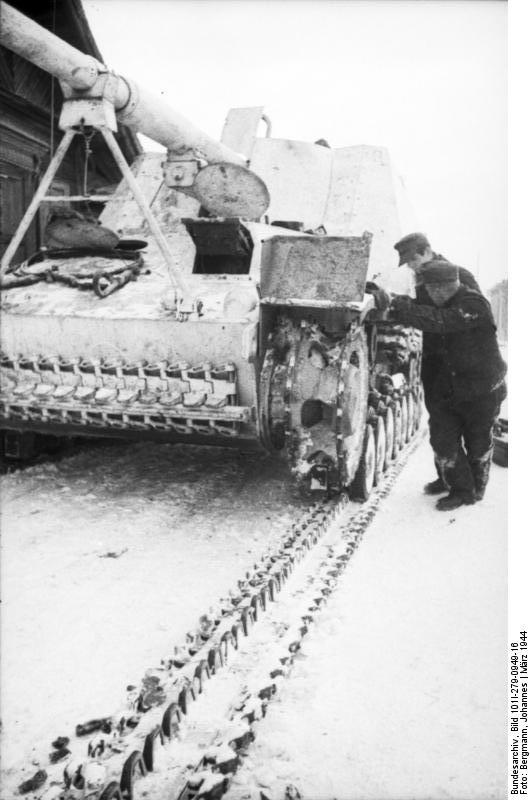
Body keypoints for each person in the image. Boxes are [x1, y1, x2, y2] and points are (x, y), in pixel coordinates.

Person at [374, 261, 506, 511]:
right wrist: (384, 295)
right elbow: (415, 307)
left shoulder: (474, 304)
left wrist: (398, 305)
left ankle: (474, 490)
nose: (430, 294)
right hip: (446, 388)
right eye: (428, 290)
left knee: (477, 443)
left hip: (482, 390)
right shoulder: (434, 301)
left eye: (434, 289)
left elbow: (440, 321)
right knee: (443, 440)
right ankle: (457, 486)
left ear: (449, 286)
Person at [393, 232, 482, 494]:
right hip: (434, 362)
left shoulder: (458, 277)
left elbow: (471, 317)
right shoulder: (422, 280)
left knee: (456, 424)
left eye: (412, 260)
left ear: (426, 251)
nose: (410, 266)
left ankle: (466, 487)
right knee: (440, 424)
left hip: (457, 364)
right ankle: (446, 477)